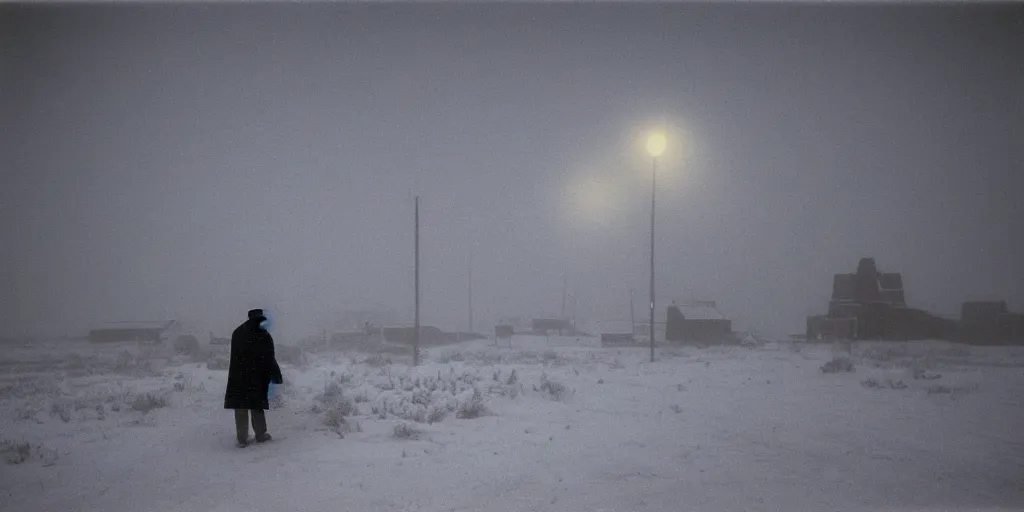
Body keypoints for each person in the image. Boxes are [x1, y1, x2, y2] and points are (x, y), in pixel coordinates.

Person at [224, 308, 283, 447]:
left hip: (238, 377)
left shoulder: (237, 333)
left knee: (240, 407)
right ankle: (261, 434)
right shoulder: (264, 335)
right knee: (257, 406)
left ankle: (242, 439)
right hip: (256, 377)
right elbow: (269, 359)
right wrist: (276, 375)